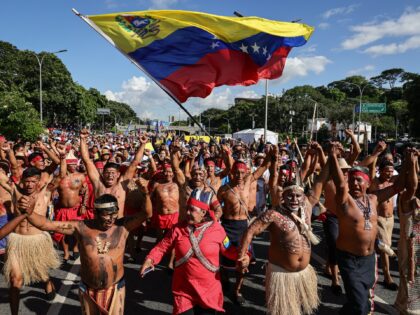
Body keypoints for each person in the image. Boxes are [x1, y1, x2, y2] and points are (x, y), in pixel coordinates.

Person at [25, 192, 152, 315]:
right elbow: (47, 224)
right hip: (88, 288)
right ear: (96, 213)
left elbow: (147, 213)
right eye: (106, 215)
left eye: (114, 214)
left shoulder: (123, 226)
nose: (111, 219)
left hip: (114, 289)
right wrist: (29, 213)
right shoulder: (81, 227)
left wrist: (146, 193)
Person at [328, 142, 406, 315]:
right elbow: (340, 184)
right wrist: (332, 156)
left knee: (360, 300)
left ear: (367, 182)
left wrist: (409, 161)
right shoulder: (345, 201)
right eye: (352, 180)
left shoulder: (373, 198)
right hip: (349, 260)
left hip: (369, 260)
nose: (355, 184)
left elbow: (398, 186)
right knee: (361, 304)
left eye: (359, 180)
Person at [237, 179, 321, 315]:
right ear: (283, 196)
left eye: (298, 196)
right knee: (283, 311)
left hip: (303, 273)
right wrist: (242, 256)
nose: (294, 199)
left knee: (298, 308)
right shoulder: (273, 215)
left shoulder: (307, 209)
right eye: (290, 195)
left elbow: (320, 181)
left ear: (303, 197)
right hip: (281, 274)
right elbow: (250, 231)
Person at [140, 196, 226, 315]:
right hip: (183, 289)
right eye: (186, 209)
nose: (187, 213)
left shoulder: (218, 229)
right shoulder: (178, 229)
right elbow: (162, 247)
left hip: (208, 290)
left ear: (203, 212)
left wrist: (244, 256)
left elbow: (229, 250)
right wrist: (151, 259)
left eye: (191, 210)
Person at [0, 167, 60, 315]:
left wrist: (63, 158)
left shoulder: (45, 193)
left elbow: (60, 176)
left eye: (33, 181)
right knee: (15, 280)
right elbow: (2, 178)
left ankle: (47, 281)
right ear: (22, 181)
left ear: (39, 182)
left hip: (37, 241)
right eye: (27, 181)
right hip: (17, 241)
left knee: (41, 273)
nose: (30, 185)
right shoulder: (15, 191)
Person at [217, 150, 271, 305]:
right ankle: (225, 277)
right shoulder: (224, 189)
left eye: (242, 173)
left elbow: (264, 166)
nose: (239, 176)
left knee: (242, 261)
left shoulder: (249, 183)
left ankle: (237, 290)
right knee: (224, 258)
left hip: (243, 229)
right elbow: (214, 207)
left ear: (246, 173)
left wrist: (270, 154)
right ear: (231, 172)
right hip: (227, 227)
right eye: (236, 172)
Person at [52, 146, 87, 262]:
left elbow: (86, 191)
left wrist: (83, 205)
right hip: (61, 208)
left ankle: (75, 248)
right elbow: (52, 189)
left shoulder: (80, 176)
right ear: (66, 164)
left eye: (74, 164)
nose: (72, 166)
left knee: (76, 231)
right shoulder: (60, 177)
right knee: (62, 232)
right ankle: (66, 253)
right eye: (70, 164)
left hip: (76, 208)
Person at [394, 148, 419, 314]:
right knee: (411, 289)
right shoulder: (406, 199)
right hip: (409, 255)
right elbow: (413, 184)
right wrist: (411, 161)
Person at [369, 159, 399, 290]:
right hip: (379, 218)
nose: (389, 174)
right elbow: (370, 171)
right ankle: (387, 277)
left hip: (391, 219)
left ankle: (371, 266)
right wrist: (375, 155)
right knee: (385, 247)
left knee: (384, 247)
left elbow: (405, 174)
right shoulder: (375, 183)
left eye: (391, 171)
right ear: (380, 171)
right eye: (387, 171)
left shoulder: (392, 181)